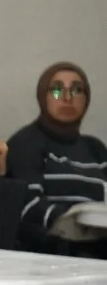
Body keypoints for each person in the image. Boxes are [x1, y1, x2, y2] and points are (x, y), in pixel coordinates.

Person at [7, 63, 107, 248]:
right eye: (56, 90)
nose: (67, 98)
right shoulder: (27, 142)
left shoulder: (96, 149)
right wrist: (75, 225)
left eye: (77, 90)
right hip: (51, 250)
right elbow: (27, 205)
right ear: (42, 96)